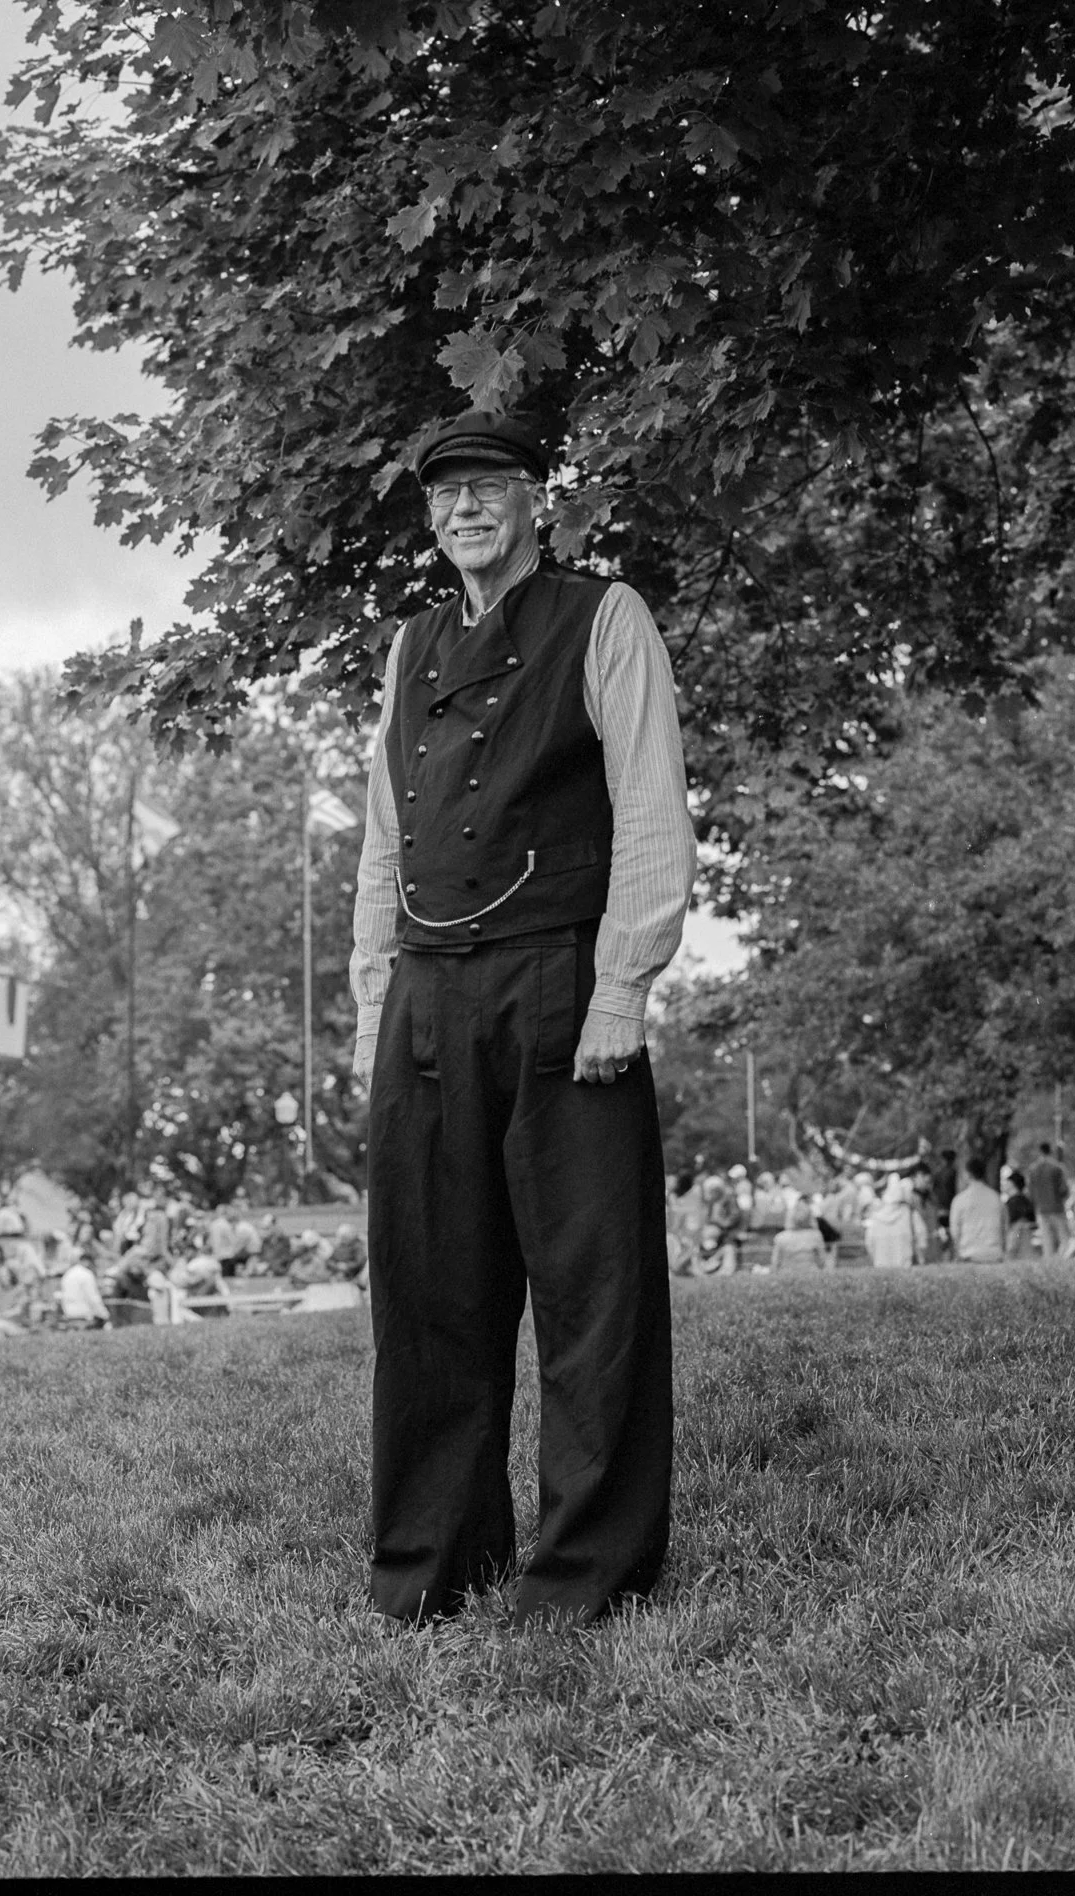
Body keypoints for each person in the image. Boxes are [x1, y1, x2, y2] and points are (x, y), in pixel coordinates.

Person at [351, 408, 695, 1627]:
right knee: (427, 1293)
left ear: (535, 499)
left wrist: (623, 984)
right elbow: (385, 834)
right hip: (426, 990)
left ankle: (587, 1573)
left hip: (560, 978)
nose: (466, 508)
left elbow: (648, 803)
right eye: (446, 493)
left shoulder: (606, 616)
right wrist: (373, 1006)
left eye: (488, 486)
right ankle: (431, 1564)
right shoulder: (410, 646)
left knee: (593, 1294)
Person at [949, 1156, 1005, 1263]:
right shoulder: (996, 1197)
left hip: (969, 1255)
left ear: (967, 1174)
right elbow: (1004, 1227)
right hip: (994, 1254)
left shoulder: (959, 1200)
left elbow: (955, 1232)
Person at [863, 1174, 918, 1269]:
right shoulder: (907, 1212)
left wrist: (875, 1259)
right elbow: (920, 1235)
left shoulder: (876, 1214)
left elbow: (869, 1242)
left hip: (881, 1266)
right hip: (904, 1266)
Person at [1027, 1143, 1069, 1258]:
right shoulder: (1057, 1167)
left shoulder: (1033, 1169)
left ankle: (1048, 1258)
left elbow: (1030, 1191)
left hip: (1041, 1208)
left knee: (1046, 1237)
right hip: (1057, 1207)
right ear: (1050, 1151)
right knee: (1063, 1236)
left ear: (1039, 1151)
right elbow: (1064, 1189)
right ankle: (1064, 1257)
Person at [57, 1243, 111, 1328]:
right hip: (85, 1315)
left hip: (68, 1314)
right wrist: (105, 1315)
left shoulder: (67, 1275)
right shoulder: (87, 1274)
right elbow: (93, 1298)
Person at [771, 1192, 829, 1271]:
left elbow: (775, 1264)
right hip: (811, 1274)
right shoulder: (816, 1236)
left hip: (787, 1274)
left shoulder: (780, 1238)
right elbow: (822, 1262)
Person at [1003, 1168, 1039, 1259]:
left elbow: (1012, 1223)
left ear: (1012, 1184)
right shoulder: (1025, 1200)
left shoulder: (1013, 1202)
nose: (1004, 1185)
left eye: (1006, 1183)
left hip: (1016, 1238)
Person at [929, 1149, 959, 1242]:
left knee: (943, 1236)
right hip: (951, 1208)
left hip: (940, 1209)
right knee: (951, 1235)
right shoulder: (954, 1173)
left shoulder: (938, 1173)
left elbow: (933, 1190)